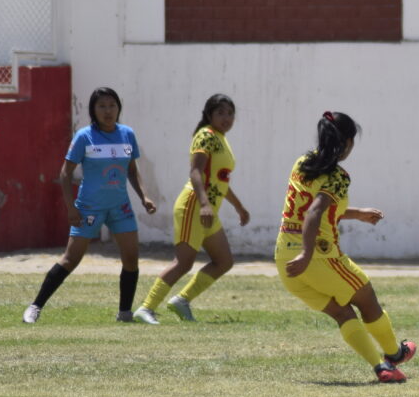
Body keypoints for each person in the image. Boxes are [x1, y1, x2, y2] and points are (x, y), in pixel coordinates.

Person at [275, 111, 416, 383]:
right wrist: (307, 253)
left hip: (284, 257)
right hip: (318, 256)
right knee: (367, 298)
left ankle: (381, 367)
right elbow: (314, 213)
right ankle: (395, 354)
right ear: (348, 142)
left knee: (342, 312)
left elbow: (316, 208)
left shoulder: (303, 163)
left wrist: (357, 213)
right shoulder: (337, 176)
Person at [23, 87, 157, 323]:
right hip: (89, 208)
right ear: (93, 111)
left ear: (119, 108)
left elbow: (132, 172)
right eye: (102, 106)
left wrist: (144, 197)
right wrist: (71, 207)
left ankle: (124, 313)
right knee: (71, 259)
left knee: (131, 258)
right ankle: (35, 307)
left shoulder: (127, 134)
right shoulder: (85, 136)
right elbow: (65, 174)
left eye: (112, 105)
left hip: (120, 207)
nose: (108, 111)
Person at [133, 94, 250, 324]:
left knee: (224, 261)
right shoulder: (205, 136)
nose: (226, 118)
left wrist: (239, 208)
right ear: (209, 115)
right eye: (220, 113)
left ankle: (182, 300)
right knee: (184, 262)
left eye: (230, 113)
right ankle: (146, 308)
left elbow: (220, 181)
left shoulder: (220, 138)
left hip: (208, 211)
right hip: (194, 207)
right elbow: (195, 172)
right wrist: (205, 204)